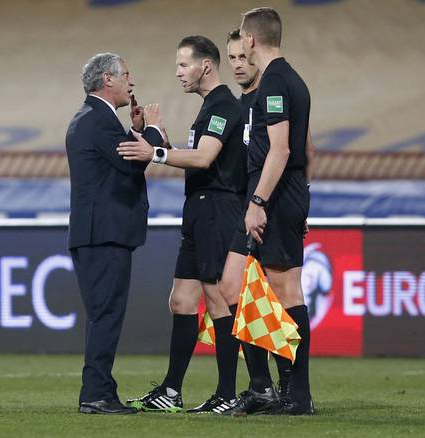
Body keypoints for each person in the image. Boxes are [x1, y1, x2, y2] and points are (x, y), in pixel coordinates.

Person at [117, 35, 246, 414]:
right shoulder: (209, 107)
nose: (177, 73)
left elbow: (205, 159)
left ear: (205, 65)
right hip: (199, 209)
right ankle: (171, 391)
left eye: (183, 65)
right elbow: (193, 155)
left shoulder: (223, 105)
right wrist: (152, 134)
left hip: (218, 211)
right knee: (182, 300)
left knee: (217, 298)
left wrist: (155, 153)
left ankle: (227, 393)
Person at [66, 52, 164, 415]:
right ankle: (96, 394)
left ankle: (99, 391)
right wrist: (152, 129)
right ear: (107, 79)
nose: (131, 82)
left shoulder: (92, 119)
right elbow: (131, 165)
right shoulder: (98, 121)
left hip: (96, 233)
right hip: (103, 234)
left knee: (102, 314)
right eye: (126, 75)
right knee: (106, 314)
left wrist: (136, 131)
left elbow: (121, 159)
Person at [239, 7, 316, 415]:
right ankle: (289, 391)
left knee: (286, 291)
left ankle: (298, 395)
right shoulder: (294, 80)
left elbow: (282, 149)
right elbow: (309, 149)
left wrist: (258, 202)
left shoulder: (273, 82)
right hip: (289, 194)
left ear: (250, 40)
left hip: (276, 195)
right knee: (272, 291)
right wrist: (302, 197)